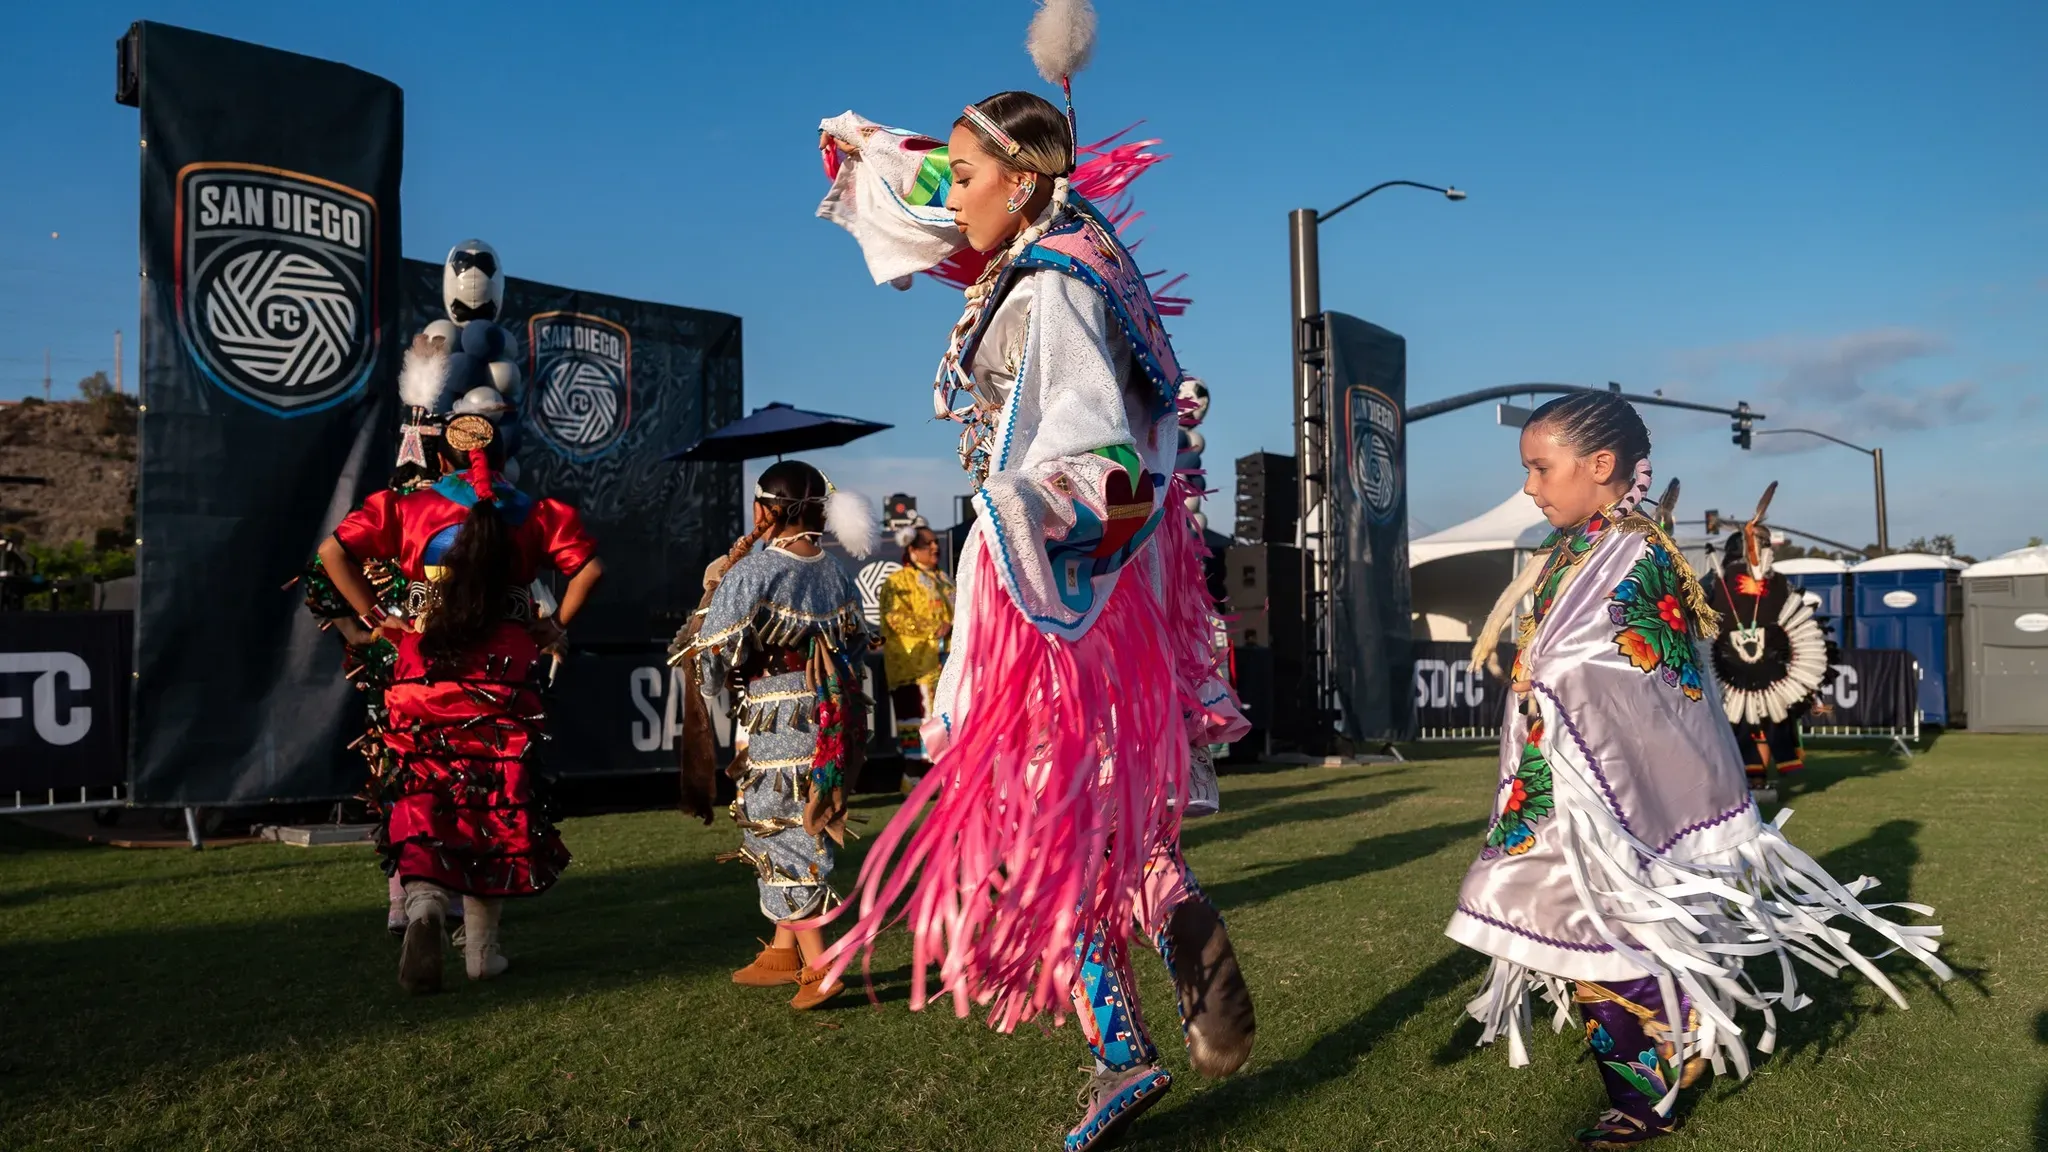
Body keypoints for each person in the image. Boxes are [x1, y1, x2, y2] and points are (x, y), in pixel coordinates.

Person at [813, 13, 1257, 1144]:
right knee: (1100, 818)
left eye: (966, 179)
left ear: (1018, 181)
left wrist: (1017, 530)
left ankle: (1119, 1044)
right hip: (1097, 597)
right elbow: (926, 193)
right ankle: (1177, 932)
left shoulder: (1047, 289)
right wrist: (869, 153)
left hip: (1049, 596)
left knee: (1032, 825)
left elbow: (1094, 447)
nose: (947, 200)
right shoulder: (1055, 257)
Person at [1448, 392, 1948, 1147]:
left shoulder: (1637, 551)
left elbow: (1628, 665)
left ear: (1601, 465)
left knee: (1604, 928)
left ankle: (1652, 1084)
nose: (1530, 485)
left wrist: (1544, 677)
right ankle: (1671, 1048)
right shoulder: (1581, 548)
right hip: (1571, 785)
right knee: (1588, 927)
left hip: (1611, 792)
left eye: (1540, 468)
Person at [316, 397, 602, 995]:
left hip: (424, 666)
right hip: (503, 670)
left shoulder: (409, 505)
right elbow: (589, 568)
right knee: (495, 796)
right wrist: (556, 626)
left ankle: (422, 905)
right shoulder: (535, 512)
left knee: (425, 784)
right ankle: (481, 950)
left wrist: (375, 618)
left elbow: (331, 554)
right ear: (501, 457)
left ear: (441, 457)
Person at [674, 460, 874, 1011]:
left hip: (775, 713)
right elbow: (857, 645)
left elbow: (709, 659)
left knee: (781, 822)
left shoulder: (755, 573)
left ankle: (821, 962)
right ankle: (782, 953)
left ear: (769, 510)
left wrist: (711, 598)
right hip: (829, 712)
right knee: (796, 817)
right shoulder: (835, 572)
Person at [1700, 485, 1837, 788]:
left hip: (1729, 670)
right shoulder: (1769, 583)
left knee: (1740, 722)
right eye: (1761, 543)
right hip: (1760, 671)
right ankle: (1755, 780)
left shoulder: (1716, 583)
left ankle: (1745, 778)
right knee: (1761, 720)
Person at [879, 522, 953, 784]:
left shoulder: (944, 580)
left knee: (946, 717)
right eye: (927, 544)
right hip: (915, 666)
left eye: (935, 542)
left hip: (946, 666)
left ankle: (946, 775)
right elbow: (894, 618)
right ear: (912, 549)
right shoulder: (898, 581)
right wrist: (937, 627)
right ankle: (916, 779)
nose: (935, 547)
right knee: (920, 719)